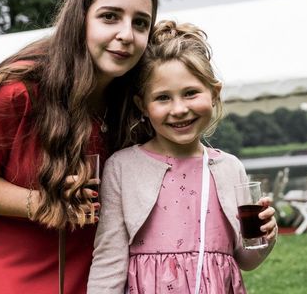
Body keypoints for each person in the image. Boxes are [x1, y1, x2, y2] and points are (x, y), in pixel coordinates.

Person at [0, 0, 159, 293]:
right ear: (80, 19)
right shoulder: (16, 91)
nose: (126, 34)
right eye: (110, 17)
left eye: (140, 23)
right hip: (14, 268)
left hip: (100, 271)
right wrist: (45, 203)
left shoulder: (138, 99)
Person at [87, 20, 278, 294]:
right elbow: (109, 259)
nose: (179, 109)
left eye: (190, 93)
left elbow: (244, 259)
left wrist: (265, 238)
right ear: (143, 106)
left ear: (214, 93)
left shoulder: (229, 168)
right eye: (163, 98)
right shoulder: (123, 167)